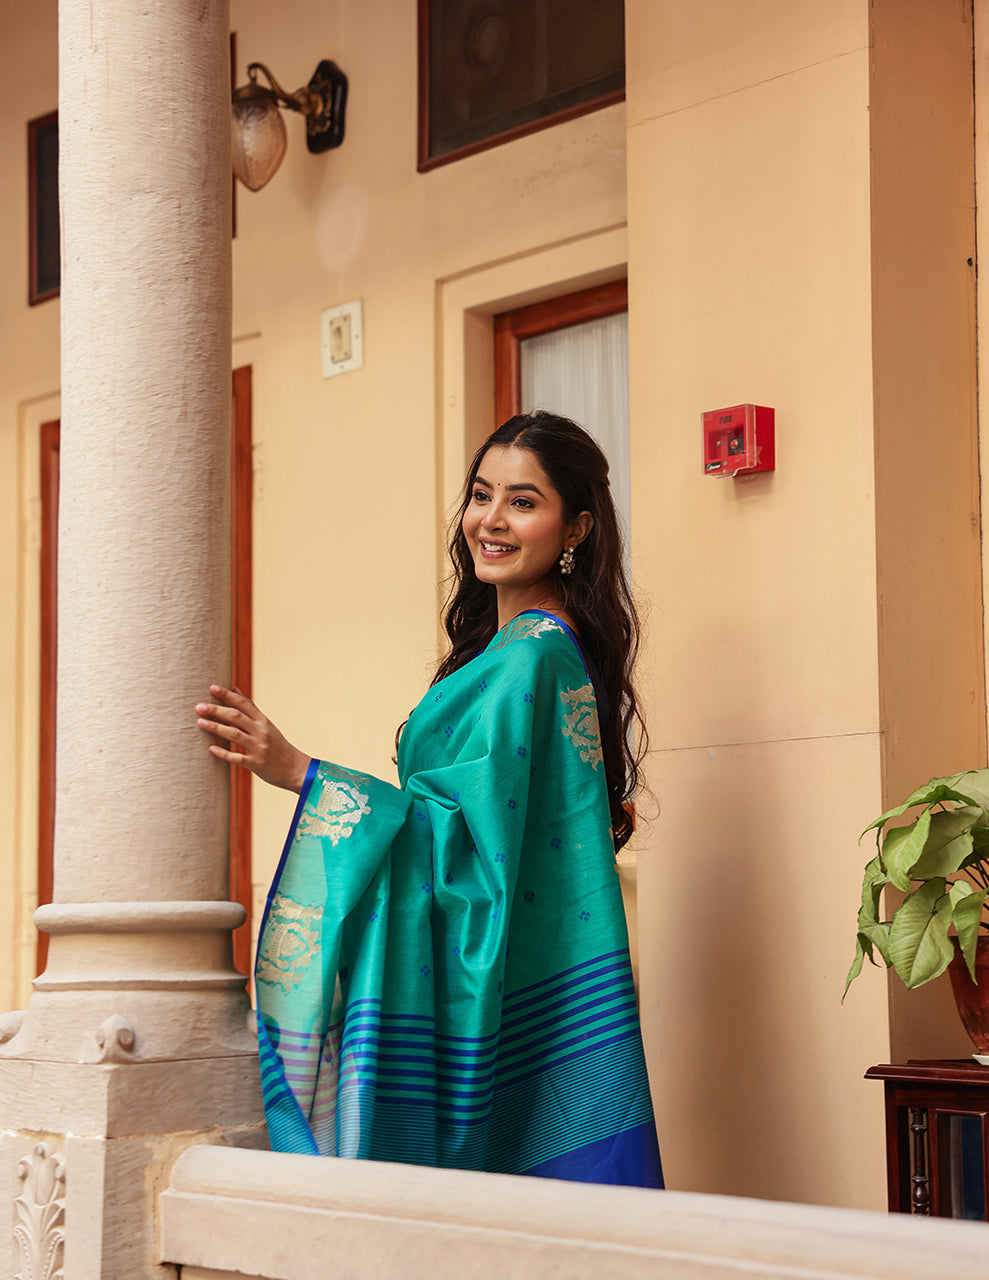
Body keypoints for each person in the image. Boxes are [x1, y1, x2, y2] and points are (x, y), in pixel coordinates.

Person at [196, 411, 663, 1187]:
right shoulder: (510, 651)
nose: (491, 520)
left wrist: (304, 773)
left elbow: (467, 851)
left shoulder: (535, 660)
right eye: (482, 495)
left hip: (515, 965)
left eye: (523, 501)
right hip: (537, 961)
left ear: (575, 526)